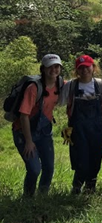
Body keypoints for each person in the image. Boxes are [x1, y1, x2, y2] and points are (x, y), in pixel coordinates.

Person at [12, 54, 63, 196]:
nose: (54, 69)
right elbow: (24, 115)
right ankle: (28, 198)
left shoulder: (60, 84)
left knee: (49, 167)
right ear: (43, 69)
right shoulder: (34, 88)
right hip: (23, 132)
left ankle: (42, 196)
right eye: (50, 67)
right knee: (34, 169)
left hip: (44, 131)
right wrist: (28, 141)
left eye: (57, 66)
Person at [62, 55, 102, 194]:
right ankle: (77, 186)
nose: (84, 71)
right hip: (77, 129)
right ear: (76, 70)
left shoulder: (100, 85)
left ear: (93, 67)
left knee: (95, 159)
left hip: (97, 128)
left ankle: (90, 186)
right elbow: (61, 102)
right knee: (80, 159)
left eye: (87, 67)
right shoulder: (71, 85)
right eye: (80, 68)